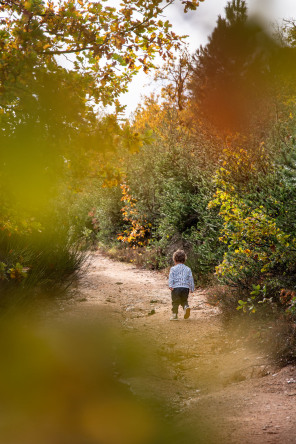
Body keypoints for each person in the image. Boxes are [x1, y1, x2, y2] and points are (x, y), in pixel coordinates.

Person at [168, 249, 194, 321]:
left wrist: (170, 285)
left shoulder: (173, 269)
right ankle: (186, 307)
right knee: (184, 300)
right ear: (184, 259)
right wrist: (192, 288)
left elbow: (171, 278)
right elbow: (190, 279)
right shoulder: (188, 269)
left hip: (176, 288)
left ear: (175, 259)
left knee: (175, 302)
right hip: (185, 288)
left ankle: (174, 315)